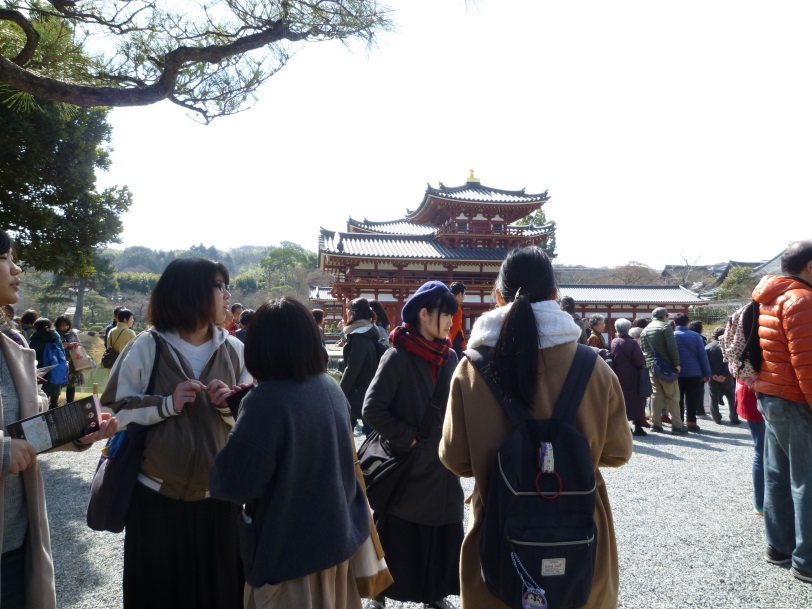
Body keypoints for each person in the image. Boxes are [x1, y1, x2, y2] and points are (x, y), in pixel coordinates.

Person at [439, 247, 632, 609]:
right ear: (555, 295)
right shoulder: (594, 367)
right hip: (580, 540)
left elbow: (455, 458)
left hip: (499, 537)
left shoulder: (470, 369)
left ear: (499, 297)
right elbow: (619, 452)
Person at [101, 257, 252, 609]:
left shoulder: (235, 350)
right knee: (159, 595)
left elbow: (253, 420)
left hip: (220, 499)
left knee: (221, 596)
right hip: (156, 499)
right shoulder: (147, 346)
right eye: (220, 286)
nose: (228, 295)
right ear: (189, 292)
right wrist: (166, 404)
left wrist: (228, 405)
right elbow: (113, 411)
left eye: (228, 286)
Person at [210, 297, 369, 609]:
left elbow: (230, 483)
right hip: (337, 547)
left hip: (289, 559)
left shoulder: (265, 400)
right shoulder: (330, 387)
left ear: (260, 348)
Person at [0, 228, 117, 609]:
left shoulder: (11, 344)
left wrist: (77, 433)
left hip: (12, 540)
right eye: (4, 259)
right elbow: (8, 445)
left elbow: (22, 434)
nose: (17, 269)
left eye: (14, 259)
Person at [362, 281, 462, 609]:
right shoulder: (397, 356)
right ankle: (380, 590)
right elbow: (372, 409)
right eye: (445, 314)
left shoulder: (450, 357)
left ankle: (434, 592)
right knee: (399, 532)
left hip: (443, 465)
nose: (450, 321)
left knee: (441, 529)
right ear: (423, 314)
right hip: (409, 464)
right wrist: (408, 436)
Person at [751, 240, 812, 583]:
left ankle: (780, 547)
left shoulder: (770, 296)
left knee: (778, 475)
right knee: (807, 480)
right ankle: (807, 560)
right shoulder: (802, 299)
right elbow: (807, 363)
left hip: (771, 393)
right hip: (796, 398)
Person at [340, 298, 381, 437]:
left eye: (348, 309)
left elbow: (352, 368)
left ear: (353, 312)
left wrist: (340, 391)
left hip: (358, 391)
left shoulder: (359, 336)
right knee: (370, 431)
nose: (346, 312)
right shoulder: (368, 330)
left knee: (347, 432)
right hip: (368, 387)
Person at [640, 307, 684, 433]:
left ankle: (655, 424)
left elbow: (643, 348)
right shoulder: (665, 327)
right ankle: (677, 425)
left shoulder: (645, 330)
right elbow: (672, 347)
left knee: (656, 395)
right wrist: (676, 363)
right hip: (667, 366)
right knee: (673, 396)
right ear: (664, 316)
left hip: (652, 367)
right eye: (667, 316)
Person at [610, 318, 649, 436]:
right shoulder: (632, 343)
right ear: (628, 328)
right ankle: (638, 427)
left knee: (622, 400)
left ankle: (625, 426)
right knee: (637, 400)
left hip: (619, 374)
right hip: (633, 374)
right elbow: (639, 360)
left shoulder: (614, 342)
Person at [673, 313, 711, 431]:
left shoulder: (671, 336)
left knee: (678, 399)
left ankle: (679, 422)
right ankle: (691, 422)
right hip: (694, 373)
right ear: (687, 323)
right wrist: (707, 373)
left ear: (674, 323)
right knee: (692, 398)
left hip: (677, 372)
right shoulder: (695, 336)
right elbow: (703, 356)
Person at [736, 381, 765, 517]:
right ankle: (761, 503)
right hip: (760, 396)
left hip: (756, 394)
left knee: (763, 452)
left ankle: (762, 503)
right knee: (763, 452)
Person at [27, 318, 65, 409]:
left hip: (41, 370)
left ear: (36, 327)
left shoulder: (35, 338)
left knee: (42, 394)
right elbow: (62, 351)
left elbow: (30, 355)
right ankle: (54, 412)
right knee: (55, 393)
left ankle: (44, 412)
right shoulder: (55, 336)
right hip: (55, 367)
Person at [705, 326, 740, 425]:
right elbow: (729, 361)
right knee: (731, 396)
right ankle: (734, 417)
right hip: (727, 376)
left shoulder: (708, 347)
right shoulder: (728, 346)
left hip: (712, 377)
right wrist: (724, 374)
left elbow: (706, 363)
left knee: (713, 396)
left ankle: (717, 418)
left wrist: (712, 374)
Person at [54, 315, 83, 403]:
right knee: (57, 384)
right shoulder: (55, 334)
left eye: (66, 325)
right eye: (62, 325)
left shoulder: (72, 333)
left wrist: (76, 345)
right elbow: (51, 348)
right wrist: (61, 346)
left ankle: (70, 403)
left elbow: (79, 344)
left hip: (72, 362)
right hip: (60, 362)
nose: (65, 327)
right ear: (58, 325)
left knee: (71, 385)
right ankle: (53, 404)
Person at [447, 282, 467, 358]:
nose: (464, 297)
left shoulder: (448, 305)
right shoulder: (456, 309)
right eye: (464, 295)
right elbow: (455, 329)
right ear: (459, 294)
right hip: (455, 342)